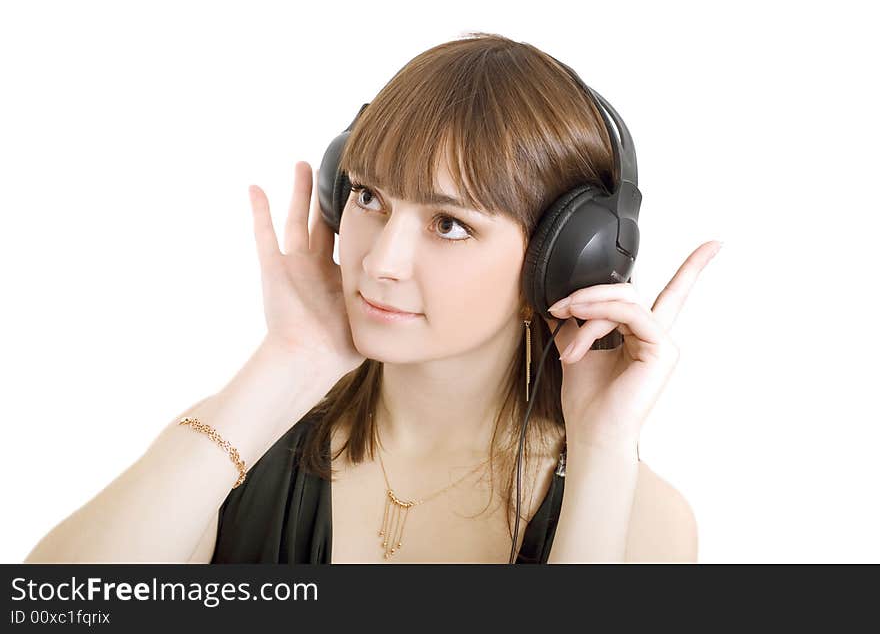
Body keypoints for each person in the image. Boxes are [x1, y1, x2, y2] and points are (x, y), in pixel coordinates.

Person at [24, 32, 712, 564]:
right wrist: (287, 362)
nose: (380, 261)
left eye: (449, 223)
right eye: (369, 196)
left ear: (561, 262)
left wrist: (601, 447)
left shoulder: (636, 509)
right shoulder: (238, 445)